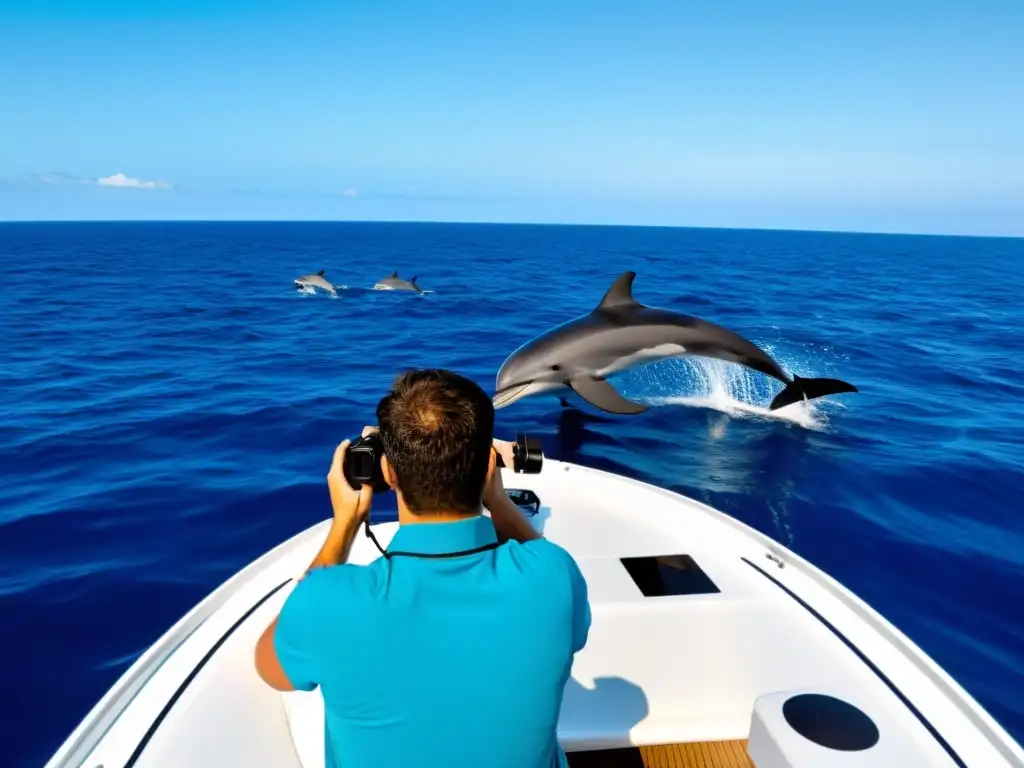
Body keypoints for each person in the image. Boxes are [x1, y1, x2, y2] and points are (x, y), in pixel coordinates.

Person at [254, 368, 591, 768]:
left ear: (388, 473)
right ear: (488, 468)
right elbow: (551, 581)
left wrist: (344, 526)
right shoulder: (554, 576)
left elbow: (270, 668)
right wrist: (499, 502)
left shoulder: (327, 599)